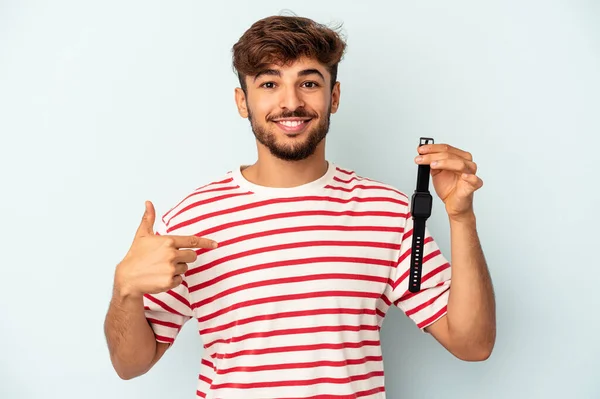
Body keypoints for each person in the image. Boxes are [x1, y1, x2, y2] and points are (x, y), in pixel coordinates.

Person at [103, 14, 496, 398]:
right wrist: (125, 290)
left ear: (334, 96)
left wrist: (461, 216)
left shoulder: (388, 212)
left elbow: (472, 344)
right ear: (243, 101)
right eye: (269, 83)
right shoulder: (192, 219)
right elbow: (130, 364)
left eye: (308, 82)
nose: (290, 102)